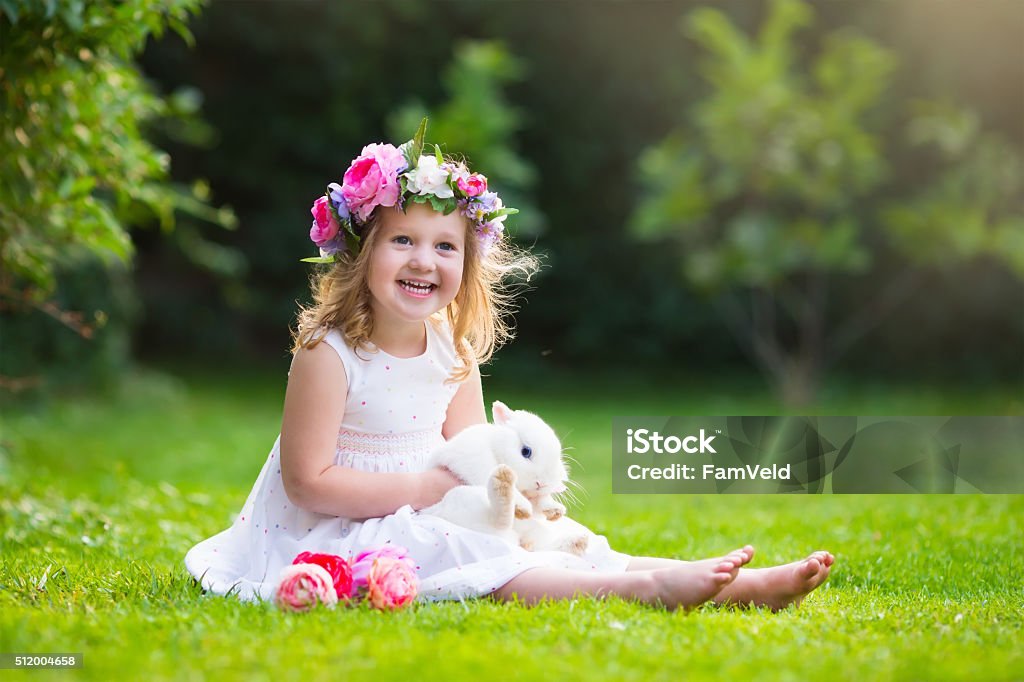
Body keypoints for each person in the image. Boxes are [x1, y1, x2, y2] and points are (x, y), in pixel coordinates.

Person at [185, 123, 834, 610]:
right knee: (467, 549)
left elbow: (478, 454)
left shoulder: (451, 351)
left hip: (430, 500)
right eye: (403, 240)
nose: (424, 261)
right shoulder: (329, 354)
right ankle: (644, 589)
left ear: (466, 267)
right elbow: (308, 484)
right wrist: (427, 491)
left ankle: (725, 582)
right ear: (362, 253)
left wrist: (513, 497)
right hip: (336, 523)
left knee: (554, 536)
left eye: (445, 247)